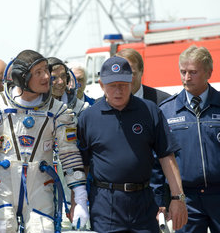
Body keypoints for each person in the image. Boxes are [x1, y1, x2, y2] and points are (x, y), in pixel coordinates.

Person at [0, 49, 89, 232]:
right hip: (1, 188)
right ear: (21, 77)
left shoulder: (58, 112)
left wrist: (80, 198)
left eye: (46, 70)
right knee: (2, 226)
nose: (47, 76)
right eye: (38, 72)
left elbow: (69, 154)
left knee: (42, 228)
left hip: (40, 188)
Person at [77, 56, 188, 232]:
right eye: (112, 85)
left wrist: (177, 198)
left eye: (123, 84)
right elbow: (82, 166)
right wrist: (77, 202)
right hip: (106, 206)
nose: (118, 90)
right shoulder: (88, 118)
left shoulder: (150, 111)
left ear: (132, 81)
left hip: (144, 202)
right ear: (101, 85)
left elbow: (167, 156)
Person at [159, 45, 220, 233]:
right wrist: (162, 201)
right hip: (186, 199)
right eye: (183, 72)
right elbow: (157, 160)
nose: (186, 78)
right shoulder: (166, 111)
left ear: (209, 72)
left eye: (193, 72)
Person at [116, 48, 171, 210]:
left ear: (142, 71)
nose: (126, 78)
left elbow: (169, 154)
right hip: (114, 197)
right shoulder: (99, 106)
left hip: (156, 194)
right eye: (122, 71)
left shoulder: (163, 102)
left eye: (131, 72)